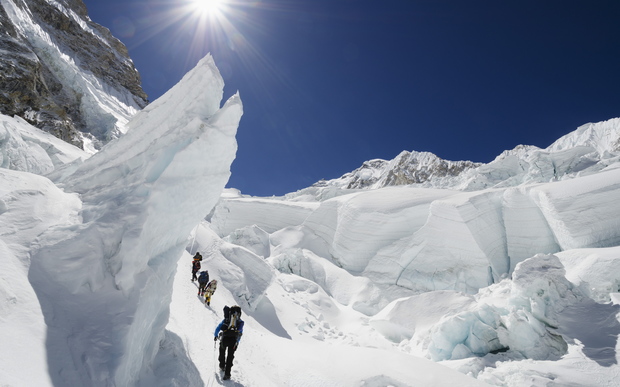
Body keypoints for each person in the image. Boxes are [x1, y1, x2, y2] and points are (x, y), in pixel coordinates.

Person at [214, 305, 244, 380]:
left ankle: (222, 365)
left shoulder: (227, 320)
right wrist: (237, 342)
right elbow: (240, 333)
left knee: (222, 351)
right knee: (230, 356)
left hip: (225, 339)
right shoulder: (239, 322)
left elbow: (218, 327)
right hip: (233, 341)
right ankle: (227, 374)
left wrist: (215, 335)